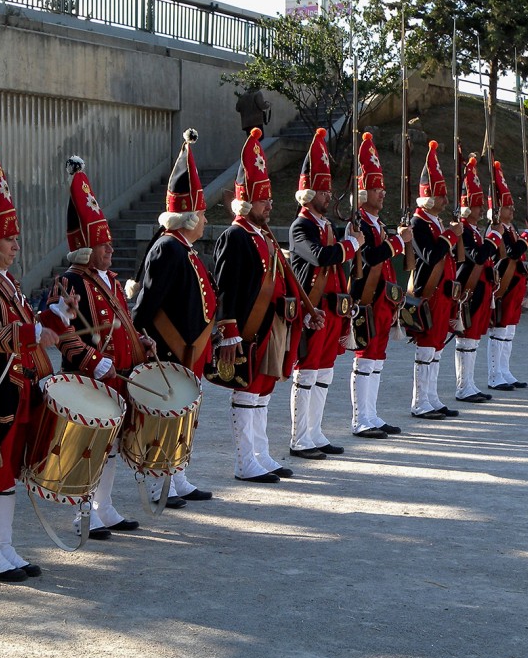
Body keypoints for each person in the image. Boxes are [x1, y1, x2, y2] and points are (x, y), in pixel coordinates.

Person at [0, 129, 74, 582]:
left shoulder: (6, 282)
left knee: (8, 473)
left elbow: (31, 331)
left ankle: (4, 548)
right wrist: (33, 331)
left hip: (18, 392)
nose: (16, 244)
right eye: (8, 238)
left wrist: (56, 316)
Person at [211, 127, 320, 483]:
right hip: (248, 328)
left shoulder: (264, 235)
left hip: (274, 326)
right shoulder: (235, 235)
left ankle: (260, 453)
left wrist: (302, 313)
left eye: (269, 199)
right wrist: (228, 333)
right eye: (263, 200)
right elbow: (225, 288)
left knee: (264, 390)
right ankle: (245, 462)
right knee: (248, 390)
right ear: (246, 202)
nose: (270, 205)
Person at [51, 155, 150, 537]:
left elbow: (123, 325)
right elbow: (62, 332)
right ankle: (82, 515)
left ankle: (103, 506)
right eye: (101, 244)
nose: (110, 249)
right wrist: (95, 362)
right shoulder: (72, 281)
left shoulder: (108, 280)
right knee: (87, 446)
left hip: (119, 377)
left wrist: (141, 341)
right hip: (89, 378)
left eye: (109, 243)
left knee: (109, 446)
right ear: (84, 248)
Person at [130, 128, 216, 504]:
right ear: (189, 217)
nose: (206, 222)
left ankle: (178, 475)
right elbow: (148, 303)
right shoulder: (167, 248)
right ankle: (155, 481)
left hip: (189, 351)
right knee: (162, 415)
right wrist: (142, 340)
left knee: (183, 416)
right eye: (202, 214)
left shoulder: (185, 248)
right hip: (169, 350)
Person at [287, 128, 362, 459]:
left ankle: (315, 432)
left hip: (333, 309)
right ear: (308, 193)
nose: (328, 195)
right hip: (313, 309)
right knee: (307, 373)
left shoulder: (325, 226)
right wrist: (351, 245)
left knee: (325, 373)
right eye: (322, 190)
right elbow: (319, 257)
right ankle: (299, 437)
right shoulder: (300, 227)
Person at [348, 132, 413, 439]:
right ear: (363, 193)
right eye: (375, 188)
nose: (382, 193)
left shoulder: (376, 223)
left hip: (384, 298)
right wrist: (399, 241)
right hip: (368, 297)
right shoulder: (358, 222)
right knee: (365, 355)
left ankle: (371, 414)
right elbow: (371, 256)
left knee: (377, 356)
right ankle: (361, 418)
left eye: (383, 188)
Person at [408, 140, 463, 420]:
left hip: (444, 293)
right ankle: (420, 401)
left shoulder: (435, 223)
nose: (445, 199)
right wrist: (451, 235)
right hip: (428, 291)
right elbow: (430, 255)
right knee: (426, 346)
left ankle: (432, 397)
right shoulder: (419, 223)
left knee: (437, 347)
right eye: (440, 195)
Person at [454, 155, 503, 402]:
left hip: (480, 289)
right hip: (469, 288)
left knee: (473, 339)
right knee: (466, 339)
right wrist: (494, 239)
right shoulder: (464, 230)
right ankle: (463, 387)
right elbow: (475, 255)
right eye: (476, 205)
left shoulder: (473, 229)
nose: (481, 209)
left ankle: (469, 384)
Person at [487, 161, 528, 391]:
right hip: (503, 285)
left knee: (509, 330)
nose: (512, 209)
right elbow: (510, 254)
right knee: (499, 330)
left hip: (516, 285)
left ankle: (504, 370)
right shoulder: (495, 230)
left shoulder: (511, 228)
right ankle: (494, 374)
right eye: (507, 206)